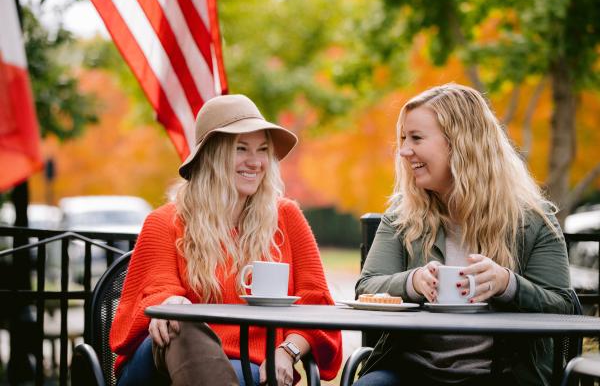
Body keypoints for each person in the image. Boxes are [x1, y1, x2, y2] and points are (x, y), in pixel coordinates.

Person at [110, 94, 342, 386]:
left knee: (245, 376)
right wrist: (169, 302)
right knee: (180, 319)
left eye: (262, 150)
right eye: (241, 148)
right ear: (212, 154)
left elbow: (316, 305)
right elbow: (154, 293)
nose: (255, 162)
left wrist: (287, 350)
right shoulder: (165, 221)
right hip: (162, 368)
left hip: (252, 367)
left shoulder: (287, 218)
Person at [354, 83, 574, 385]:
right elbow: (366, 287)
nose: (404, 150)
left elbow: (565, 306)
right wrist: (413, 282)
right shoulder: (403, 216)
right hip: (410, 371)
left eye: (416, 138)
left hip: (504, 376)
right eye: (403, 138)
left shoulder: (533, 220)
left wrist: (508, 284)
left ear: (459, 143)